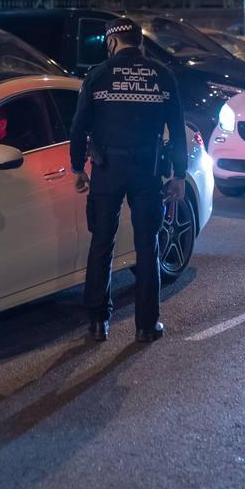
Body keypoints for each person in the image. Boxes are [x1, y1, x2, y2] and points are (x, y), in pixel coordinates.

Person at [71, 18, 187, 343]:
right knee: (147, 246)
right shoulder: (163, 75)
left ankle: (97, 322)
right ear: (139, 42)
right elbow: (177, 131)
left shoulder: (97, 75)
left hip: (108, 168)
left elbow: (79, 127)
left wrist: (78, 168)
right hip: (148, 169)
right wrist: (179, 174)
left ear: (111, 43)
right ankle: (146, 326)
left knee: (102, 243)